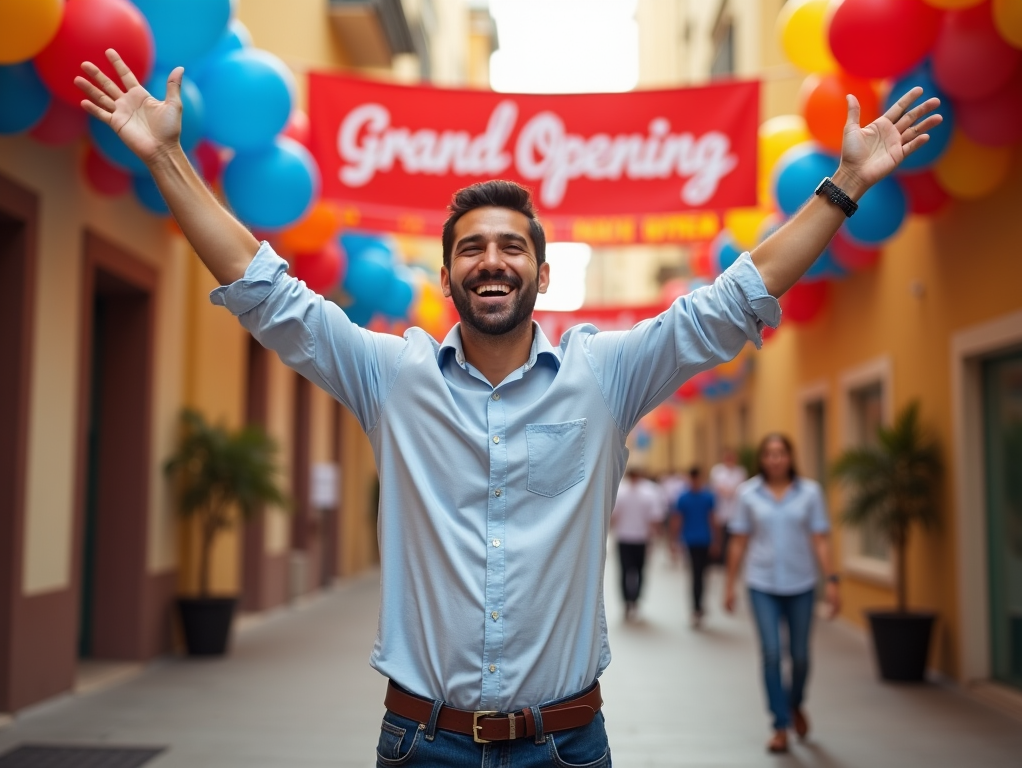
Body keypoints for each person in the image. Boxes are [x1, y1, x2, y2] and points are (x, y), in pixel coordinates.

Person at [74, 49, 938, 765]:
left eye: (512, 247)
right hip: (421, 742)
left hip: (566, 744)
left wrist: (845, 184)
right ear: (448, 274)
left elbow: (731, 300)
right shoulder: (392, 378)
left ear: (542, 274)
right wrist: (164, 157)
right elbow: (264, 290)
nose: (493, 261)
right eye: (474, 248)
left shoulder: (607, 375)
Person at [723, 434, 841, 755]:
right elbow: (738, 541)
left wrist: (832, 580)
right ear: (762, 459)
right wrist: (729, 585)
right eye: (769, 454)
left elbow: (820, 539)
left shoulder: (810, 492)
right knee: (772, 653)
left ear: (790, 457)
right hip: (762, 584)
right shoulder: (747, 494)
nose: (775, 459)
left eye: (781, 453)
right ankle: (779, 725)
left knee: (800, 656)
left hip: (802, 584)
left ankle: (795, 704)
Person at [610, 468, 666, 621]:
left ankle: (627, 601)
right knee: (640, 570)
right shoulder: (650, 491)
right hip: (641, 538)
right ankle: (634, 599)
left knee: (624, 571)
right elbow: (655, 518)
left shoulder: (620, 491)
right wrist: (655, 537)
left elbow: (613, 517)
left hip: (624, 537)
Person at [671, 467, 716, 627]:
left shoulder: (708, 496)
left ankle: (699, 605)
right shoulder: (683, 498)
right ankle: (697, 607)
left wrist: (715, 540)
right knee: (696, 574)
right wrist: (674, 541)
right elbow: (678, 519)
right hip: (691, 541)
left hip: (704, 540)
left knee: (702, 574)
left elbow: (712, 519)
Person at [709, 447, 748, 565]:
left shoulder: (740, 471)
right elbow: (720, 489)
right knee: (721, 537)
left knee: (734, 538)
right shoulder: (717, 471)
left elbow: (741, 490)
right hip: (721, 510)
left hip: (735, 512)